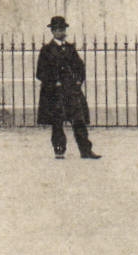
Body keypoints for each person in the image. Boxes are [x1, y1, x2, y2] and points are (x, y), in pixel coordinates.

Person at [35, 16, 100, 160]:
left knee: (79, 121)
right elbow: (40, 73)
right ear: (52, 31)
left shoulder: (70, 48)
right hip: (55, 93)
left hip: (71, 91)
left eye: (62, 29)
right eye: (57, 29)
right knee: (57, 123)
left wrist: (78, 81)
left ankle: (86, 151)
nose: (60, 32)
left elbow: (80, 67)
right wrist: (54, 82)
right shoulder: (46, 50)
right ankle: (59, 150)